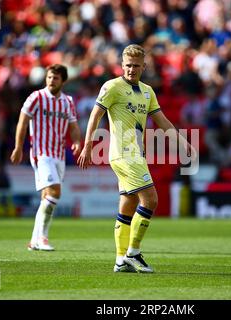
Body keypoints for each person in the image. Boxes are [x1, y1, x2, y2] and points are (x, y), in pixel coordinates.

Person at [77, 44, 195, 273]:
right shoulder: (112, 87)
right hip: (123, 154)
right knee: (150, 200)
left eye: (136, 66)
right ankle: (134, 253)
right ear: (122, 65)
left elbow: (161, 121)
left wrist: (182, 142)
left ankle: (120, 260)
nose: (131, 69)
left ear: (144, 67)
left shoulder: (148, 91)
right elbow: (96, 114)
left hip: (136, 154)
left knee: (128, 204)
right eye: (128, 65)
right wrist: (88, 145)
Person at [10, 64, 81, 251]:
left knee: (47, 197)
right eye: (49, 77)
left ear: (63, 81)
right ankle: (42, 238)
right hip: (41, 154)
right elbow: (22, 122)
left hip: (59, 155)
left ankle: (34, 240)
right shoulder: (36, 97)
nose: (51, 80)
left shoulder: (68, 101)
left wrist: (76, 142)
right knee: (55, 192)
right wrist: (18, 147)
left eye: (56, 78)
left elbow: (73, 126)